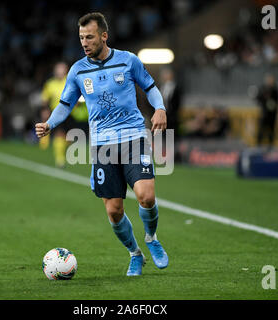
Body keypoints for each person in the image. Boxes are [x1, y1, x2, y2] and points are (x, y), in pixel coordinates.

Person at [35, 12, 168, 276]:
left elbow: (151, 87)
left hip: (133, 138)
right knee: (114, 210)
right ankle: (135, 254)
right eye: (81, 37)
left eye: (90, 37)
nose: (84, 42)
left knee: (146, 195)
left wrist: (160, 108)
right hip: (103, 146)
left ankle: (151, 238)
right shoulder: (77, 70)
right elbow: (65, 104)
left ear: (104, 36)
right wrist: (50, 124)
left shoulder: (128, 61)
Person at [40, 62, 89, 167]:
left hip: (72, 113)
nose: (59, 72)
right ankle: (60, 159)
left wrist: (79, 102)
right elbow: (45, 99)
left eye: (61, 69)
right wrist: (45, 110)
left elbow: (80, 94)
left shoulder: (71, 80)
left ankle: (63, 150)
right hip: (57, 113)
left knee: (70, 137)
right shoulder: (50, 84)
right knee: (59, 133)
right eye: (58, 69)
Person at [256, 74, 278, 147]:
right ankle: (258, 144)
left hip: (272, 113)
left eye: (272, 80)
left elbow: (277, 100)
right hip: (264, 112)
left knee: (271, 130)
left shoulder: (275, 89)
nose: (270, 81)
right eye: (269, 80)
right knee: (261, 129)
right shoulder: (263, 89)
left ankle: (271, 145)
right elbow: (258, 98)